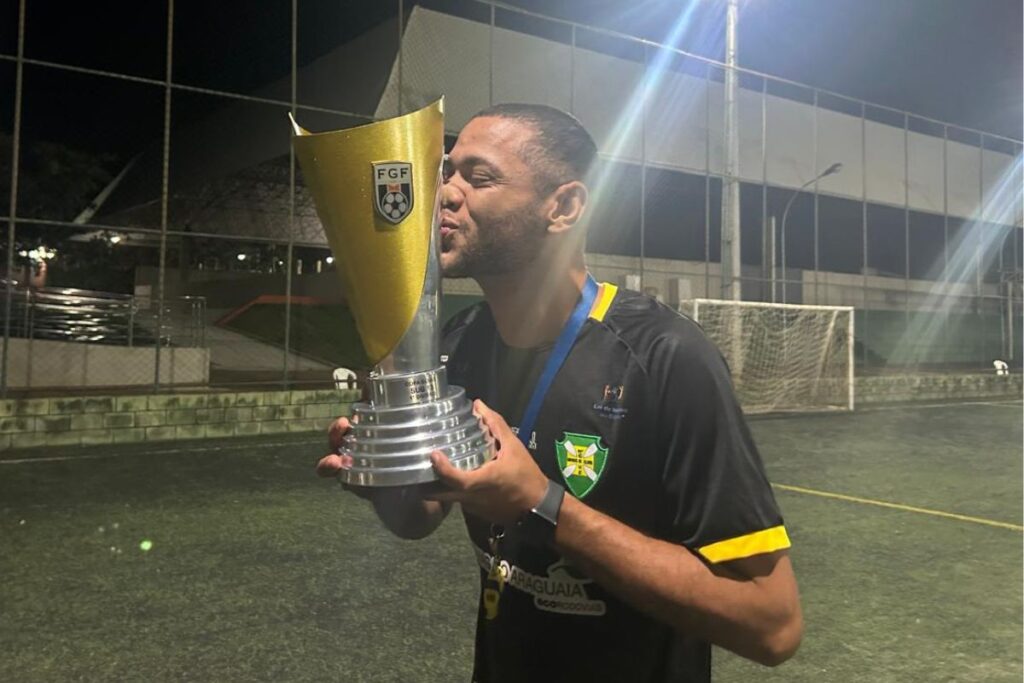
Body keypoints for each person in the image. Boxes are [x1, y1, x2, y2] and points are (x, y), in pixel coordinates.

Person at [317, 103, 802, 682]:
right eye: (446, 172)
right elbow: (423, 517)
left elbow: (773, 624)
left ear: (563, 207)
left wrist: (542, 504)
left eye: (478, 176)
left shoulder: (664, 357)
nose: (445, 193)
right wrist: (384, 476)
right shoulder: (458, 345)